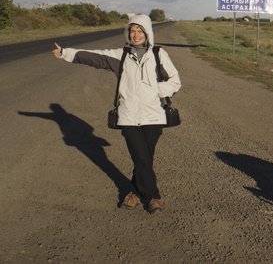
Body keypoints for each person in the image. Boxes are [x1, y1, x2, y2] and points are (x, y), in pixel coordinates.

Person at [53, 14, 181, 214]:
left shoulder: (158, 54)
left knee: (144, 158)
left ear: (147, 33)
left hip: (153, 116)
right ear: (127, 33)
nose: (135, 34)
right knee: (141, 157)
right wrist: (66, 53)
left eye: (139, 31)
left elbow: (175, 82)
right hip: (128, 116)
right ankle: (153, 197)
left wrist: (155, 90)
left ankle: (134, 193)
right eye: (132, 30)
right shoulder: (119, 55)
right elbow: (93, 57)